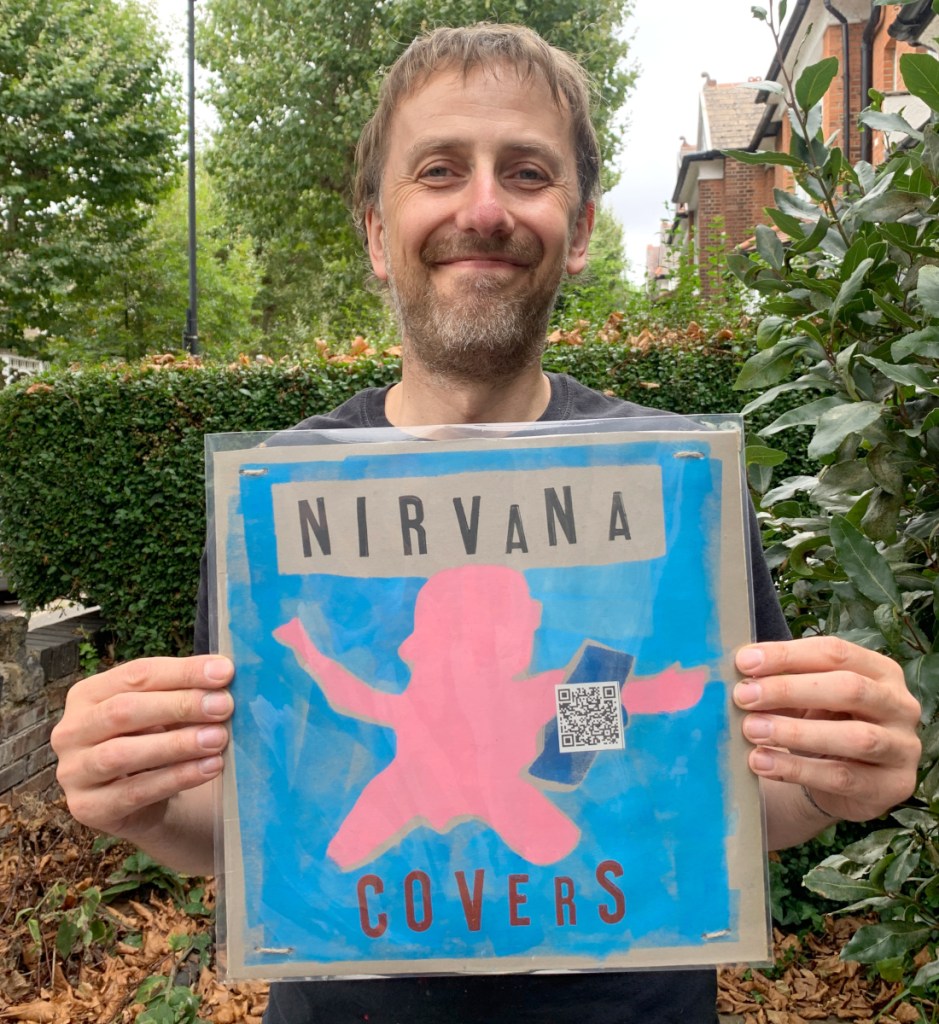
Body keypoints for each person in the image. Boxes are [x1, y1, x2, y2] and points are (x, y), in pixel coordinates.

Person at [51, 23, 921, 1024]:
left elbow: (713, 785)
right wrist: (143, 801)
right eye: (438, 170)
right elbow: (255, 821)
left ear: (578, 229)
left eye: (526, 172)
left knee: (553, 813)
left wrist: (834, 777)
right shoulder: (277, 503)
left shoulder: (677, 486)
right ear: (377, 232)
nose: (482, 208)